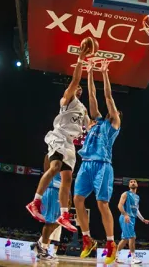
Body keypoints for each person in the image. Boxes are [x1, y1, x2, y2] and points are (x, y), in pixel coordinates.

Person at [26, 47, 90, 233]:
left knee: (68, 179)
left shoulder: (83, 108)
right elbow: (76, 79)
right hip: (59, 136)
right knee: (54, 168)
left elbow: (90, 126)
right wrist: (81, 59)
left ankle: (64, 214)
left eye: (80, 88)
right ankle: (35, 202)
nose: (78, 88)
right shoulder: (67, 99)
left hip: (70, 143)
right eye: (75, 86)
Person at [73, 60, 122, 265]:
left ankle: (110, 244)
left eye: (116, 111)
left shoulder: (113, 126)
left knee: (102, 204)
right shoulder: (96, 121)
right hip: (86, 164)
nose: (112, 110)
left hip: (102, 166)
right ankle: (87, 239)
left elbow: (107, 96)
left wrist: (105, 73)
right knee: (77, 200)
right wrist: (91, 72)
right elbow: (93, 95)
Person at [32, 155, 67, 261]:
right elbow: (47, 168)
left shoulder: (66, 162)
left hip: (61, 192)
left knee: (58, 222)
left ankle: (40, 243)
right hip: (52, 191)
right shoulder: (52, 156)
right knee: (49, 222)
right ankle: (43, 248)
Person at [115, 179, 149, 264]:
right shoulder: (126, 194)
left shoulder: (137, 197)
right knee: (132, 237)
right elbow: (119, 205)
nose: (133, 182)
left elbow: (136, 210)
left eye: (134, 181)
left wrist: (143, 219)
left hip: (132, 218)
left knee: (124, 239)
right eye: (131, 182)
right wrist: (125, 214)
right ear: (129, 185)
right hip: (126, 217)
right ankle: (133, 258)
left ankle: (116, 256)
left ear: (137, 185)